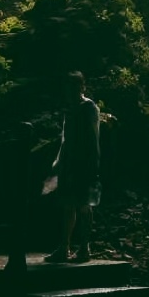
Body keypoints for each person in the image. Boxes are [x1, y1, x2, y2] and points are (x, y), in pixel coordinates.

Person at [44, 71, 101, 263]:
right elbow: (65, 139)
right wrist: (58, 162)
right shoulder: (69, 109)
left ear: (82, 87)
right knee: (68, 205)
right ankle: (64, 247)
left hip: (84, 163)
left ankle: (85, 247)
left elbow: (93, 138)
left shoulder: (88, 107)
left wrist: (92, 165)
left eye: (75, 87)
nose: (71, 91)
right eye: (68, 87)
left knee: (84, 204)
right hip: (69, 163)